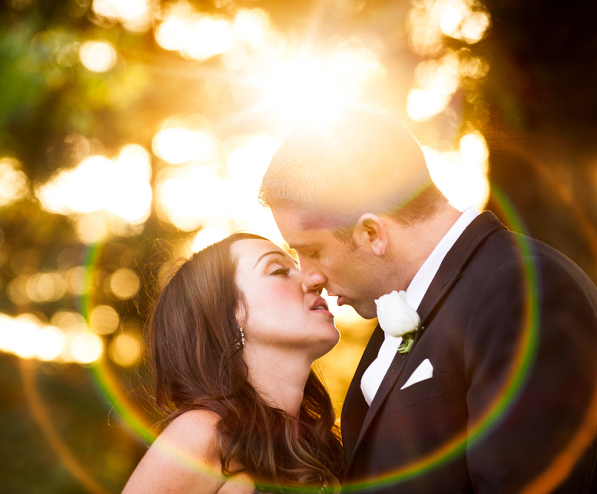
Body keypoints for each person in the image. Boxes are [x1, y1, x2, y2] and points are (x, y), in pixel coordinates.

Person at [259, 107, 597, 493]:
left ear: (372, 233)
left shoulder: (522, 289)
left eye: (313, 251)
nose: (309, 276)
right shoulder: (414, 307)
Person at [122, 233, 344, 494]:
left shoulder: (322, 447)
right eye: (280, 271)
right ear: (229, 314)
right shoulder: (204, 434)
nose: (312, 279)